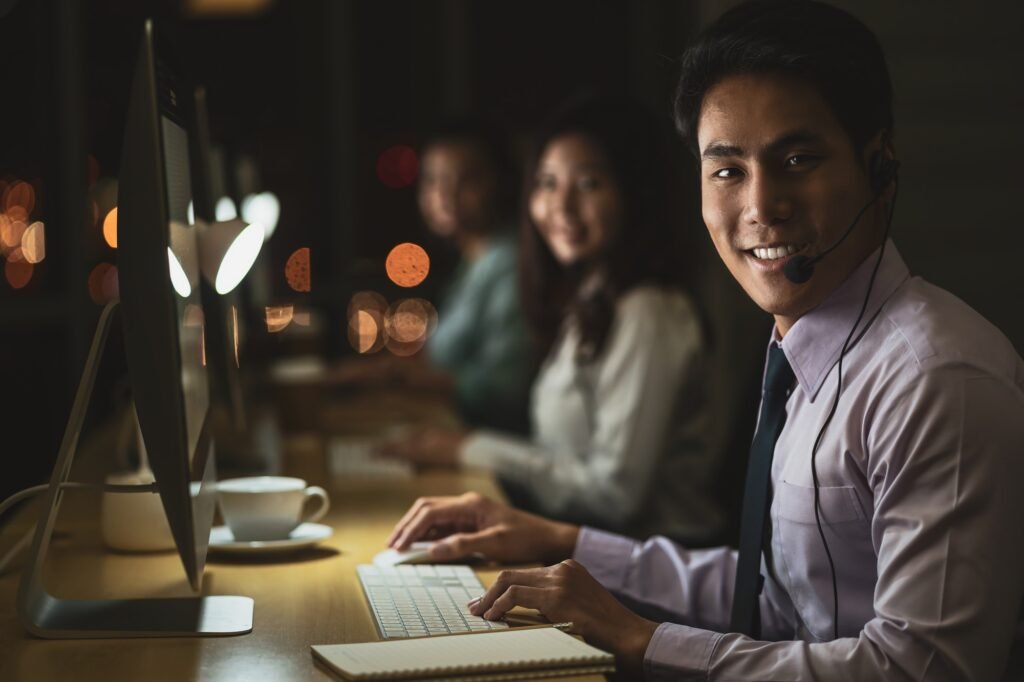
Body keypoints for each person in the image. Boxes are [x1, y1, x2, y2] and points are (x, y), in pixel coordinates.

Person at [383, 2, 1024, 679]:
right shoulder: (808, 354)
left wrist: (642, 639)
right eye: (727, 169)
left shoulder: (936, 379)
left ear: (879, 164)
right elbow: (773, 597)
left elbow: (926, 669)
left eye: (798, 159)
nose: (759, 205)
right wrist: (562, 541)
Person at [381, 95, 725, 545]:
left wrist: (468, 447)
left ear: (634, 192)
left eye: (587, 183)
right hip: (592, 555)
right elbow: (562, 461)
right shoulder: (594, 295)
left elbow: (615, 496)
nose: (560, 206)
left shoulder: (650, 311)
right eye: (546, 182)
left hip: (652, 573)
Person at [338, 122, 535, 433]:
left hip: (493, 446)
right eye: (433, 180)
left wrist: (397, 377)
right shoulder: (473, 263)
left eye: (466, 179)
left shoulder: (508, 264)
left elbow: (505, 386)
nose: (446, 193)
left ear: (500, 182)